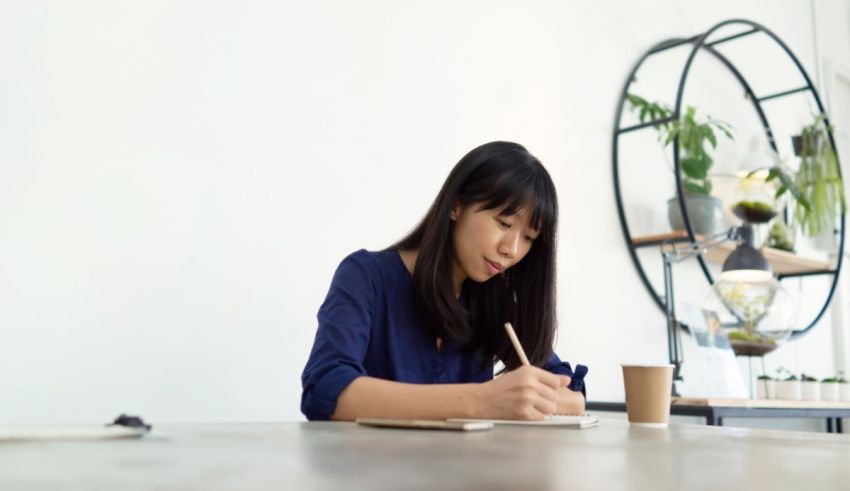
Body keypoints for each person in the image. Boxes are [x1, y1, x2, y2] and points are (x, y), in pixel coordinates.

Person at [301, 141, 587, 421]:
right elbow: (327, 390)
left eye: (528, 238)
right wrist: (481, 401)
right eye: (504, 223)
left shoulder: (493, 301)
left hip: (464, 469)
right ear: (456, 206)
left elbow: (571, 395)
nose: (511, 249)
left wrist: (533, 396)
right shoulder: (366, 276)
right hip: (373, 467)